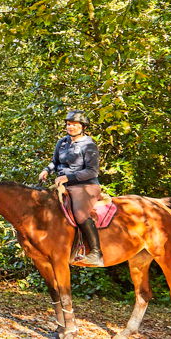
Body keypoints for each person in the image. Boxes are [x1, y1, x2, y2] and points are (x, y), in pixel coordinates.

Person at [38, 109, 104, 266]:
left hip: (86, 186)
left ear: (83, 127)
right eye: (68, 124)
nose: (71, 127)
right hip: (63, 186)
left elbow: (92, 171)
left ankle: (96, 253)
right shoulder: (62, 142)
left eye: (75, 125)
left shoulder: (88, 145)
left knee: (80, 214)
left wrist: (68, 177)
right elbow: (55, 162)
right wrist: (46, 170)